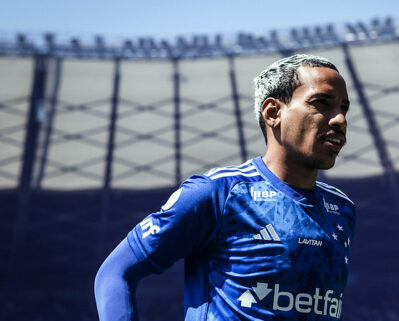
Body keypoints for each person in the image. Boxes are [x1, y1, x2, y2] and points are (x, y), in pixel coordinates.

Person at [94, 54, 356, 320]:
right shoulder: (220, 193)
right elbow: (115, 273)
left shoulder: (342, 209)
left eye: (344, 108)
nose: (340, 120)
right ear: (273, 113)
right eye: (321, 103)